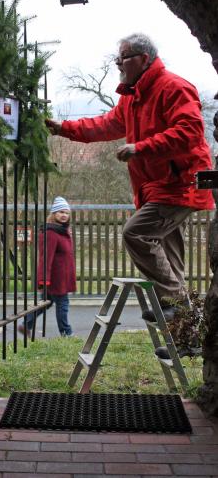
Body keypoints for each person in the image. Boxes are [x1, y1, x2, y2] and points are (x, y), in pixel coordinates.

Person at [45, 33, 214, 354]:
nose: (118, 63)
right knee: (173, 263)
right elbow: (105, 125)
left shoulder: (173, 87)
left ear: (144, 58)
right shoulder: (132, 97)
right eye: (118, 57)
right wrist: (64, 128)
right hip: (157, 189)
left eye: (124, 57)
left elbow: (189, 132)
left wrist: (141, 147)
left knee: (135, 233)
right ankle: (186, 338)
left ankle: (175, 303)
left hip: (180, 186)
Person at [18, 196, 76, 337]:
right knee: (62, 304)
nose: (64, 215)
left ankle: (26, 325)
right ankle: (66, 333)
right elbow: (45, 258)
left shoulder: (62, 231)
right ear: (54, 214)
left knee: (47, 302)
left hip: (62, 276)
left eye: (66, 213)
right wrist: (44, 279)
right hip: (56, 278)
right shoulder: (51, 233)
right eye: (61, 212)